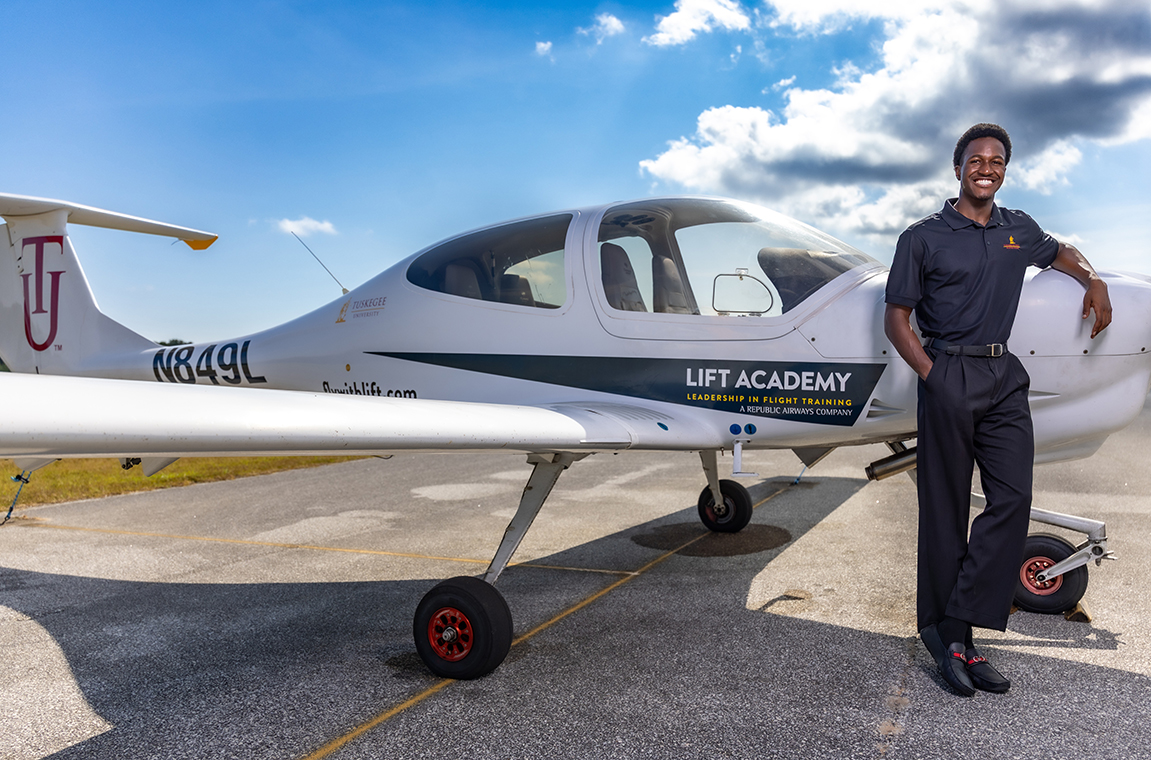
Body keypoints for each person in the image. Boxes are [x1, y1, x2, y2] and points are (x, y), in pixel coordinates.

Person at [883, 123, 1112, 696]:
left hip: (1003, 374)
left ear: (1004, 169)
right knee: (945, 510)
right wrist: (935, 379)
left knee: (1012, 500)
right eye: (976, 159)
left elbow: (1059, 251)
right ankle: (951, 637)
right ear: (958, 167)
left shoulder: (1018, 228)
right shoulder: (923, 236)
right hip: (947, 374)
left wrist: (1092, 277)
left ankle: (955, 628)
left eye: (997, 160)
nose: (987, 167)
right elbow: (896, 319)